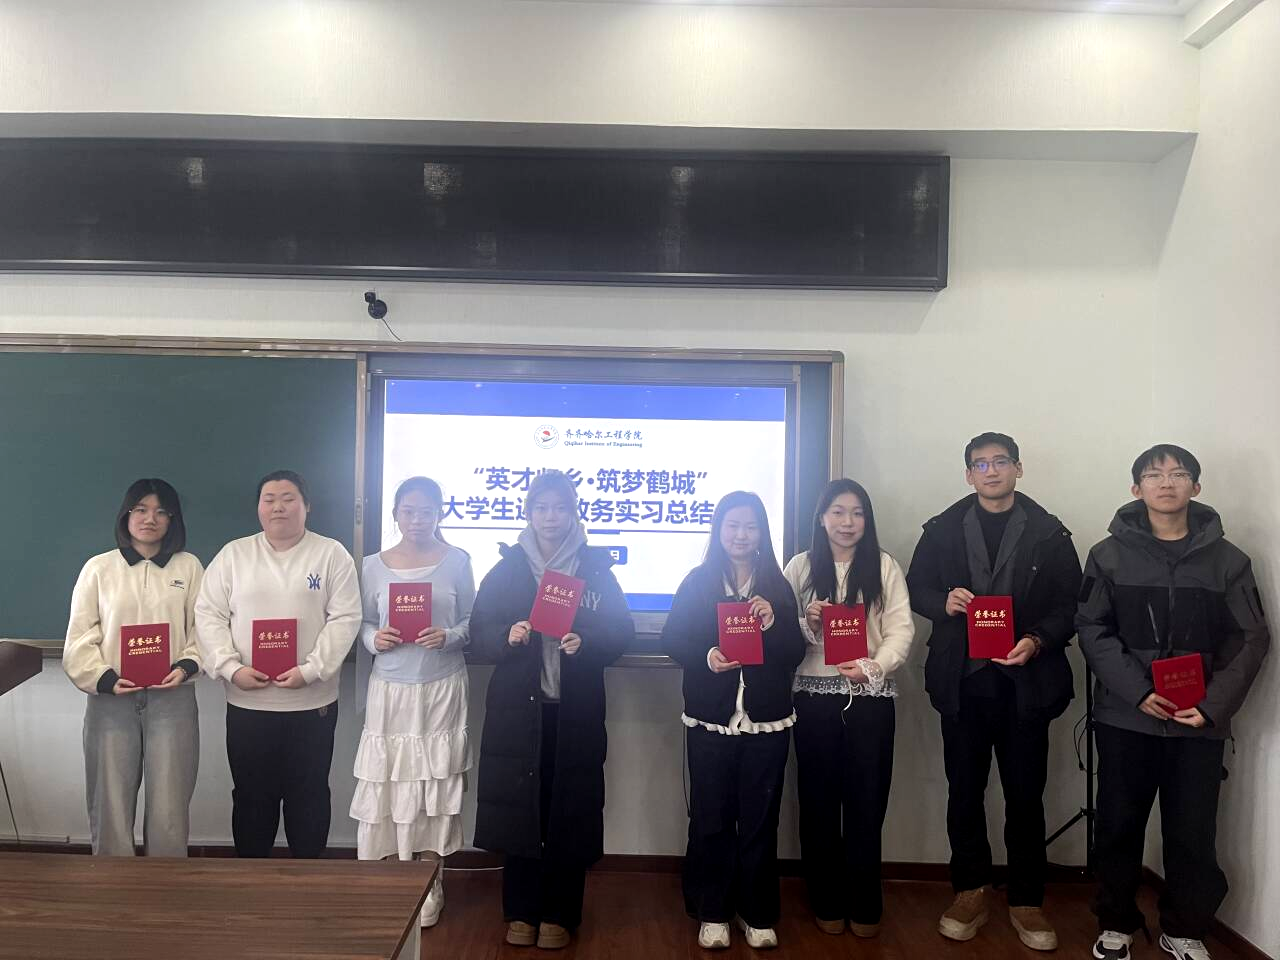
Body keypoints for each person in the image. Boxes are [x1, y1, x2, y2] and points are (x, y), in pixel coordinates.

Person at [1077, 445, 1270, 960]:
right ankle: (1116, 923)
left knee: (1192, 832)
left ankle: (1184, 929)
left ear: (1196, 487)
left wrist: (1212, 706)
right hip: (1126, 718)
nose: (1167, 483)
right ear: (1136, 488)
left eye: (1179, 474)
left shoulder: (1229, 561)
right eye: (1154, 475)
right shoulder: (1107, 555)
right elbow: (1092, 628)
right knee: (1118, 826)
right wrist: (1138, 692)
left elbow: (1252, 637)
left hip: (1198, 722)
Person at [906, 432, 1082, 951]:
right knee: (964, 791)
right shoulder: (941, 530)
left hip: (1026, 683)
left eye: (1000, 461)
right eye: (980, 464)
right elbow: (915, 587)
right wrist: (943, 602)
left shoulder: (1049, 533)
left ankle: (1027, 900)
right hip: (962, 683)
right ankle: (969, 891)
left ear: (1018, 469)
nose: (991, 471)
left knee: (1025, 796)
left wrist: (1038, 639)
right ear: (968, 475)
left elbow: (1072, 604)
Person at [469, 470, 634, 950]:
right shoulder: (507, 569)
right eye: (541, 507)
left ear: (573, 513)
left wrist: (588, 640)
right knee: (520, 810)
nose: (550, 517)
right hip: (520, 713)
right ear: (528, 513)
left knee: (568, 811)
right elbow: (479, 632)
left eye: (560, 508)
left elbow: (621, 631)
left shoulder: (594, 569)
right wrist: (507, 636)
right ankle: (520, 911)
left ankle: (560, 913)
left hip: (573, 712)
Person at [663, 490, 805, 951]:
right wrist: (707, 655)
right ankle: (713, 911)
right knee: (711, 816)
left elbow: (794, 653)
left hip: (767, 722)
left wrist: (773, 622)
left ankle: (758, 912)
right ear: (719, 530)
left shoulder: (778, 587)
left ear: (762, 533)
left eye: (750, 526)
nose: (741, 535)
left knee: (760, 819)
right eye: (733, 525)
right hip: (710, 719)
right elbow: (672, 639)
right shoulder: (697, 582)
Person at [195, 469, 361, 859]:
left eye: (288, 499)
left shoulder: (331, 554)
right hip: (248, 702)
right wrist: (230, 667)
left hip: (312, 702)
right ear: (258, 507)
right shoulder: (234, 555)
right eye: (269, 499)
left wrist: (312, 669)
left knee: (310, 793)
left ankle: (307, 879)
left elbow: (346, 617)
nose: (278, 507)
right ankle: (253, 879)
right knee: (252, 796)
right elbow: (208, 614)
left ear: (307, 506)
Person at [782, 478, 914, 937]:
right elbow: (778, 632)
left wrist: (876, 667)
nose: (847, 522)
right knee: (818, 801)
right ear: (822, 518)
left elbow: (901, 629)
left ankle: (865, 902)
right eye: (838, 512)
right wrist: (807, 622)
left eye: (857, 513)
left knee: (867, 801)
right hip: (813, 696)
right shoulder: (799, 566)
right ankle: (826, 898)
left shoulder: (883, 565)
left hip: (870, 700)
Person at [350, 476, 475, 928]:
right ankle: (388, 876)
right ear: (396, 514)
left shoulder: (458, 561)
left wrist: (449, 636)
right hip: (391, 689)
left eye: (426, 511)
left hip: (441, 686)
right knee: (389, 781)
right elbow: (361, 622)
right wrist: (373, 638)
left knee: (432, 784)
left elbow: (472, 621)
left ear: (439, 514)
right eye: (408, 511)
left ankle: (429, 880)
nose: (417, 520)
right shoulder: (371, 566)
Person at [63, 478, 204, 856]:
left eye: (161, 511)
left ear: (173, 520)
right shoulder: (99, 568)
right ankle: (112, 886)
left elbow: (204, 630)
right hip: (111, 701)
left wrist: (186, 665)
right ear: (126, 515)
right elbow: (79, 638)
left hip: (172, 700)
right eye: (140, 509)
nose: (149, 519)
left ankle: (165, 884)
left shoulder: (189, 567)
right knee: (109, 802)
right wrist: (105, 679)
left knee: (170, 806)